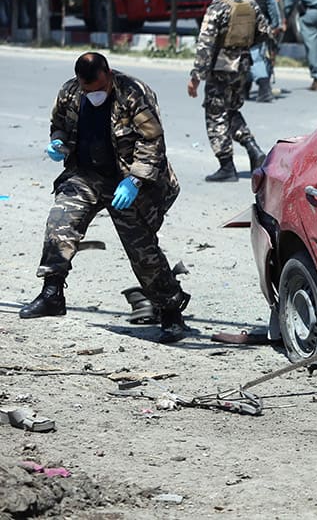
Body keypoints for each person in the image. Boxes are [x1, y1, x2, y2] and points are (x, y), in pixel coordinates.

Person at [22, 52, 191, 343]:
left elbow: (152, 141)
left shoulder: (134, 94)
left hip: (128, 179)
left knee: (142, 250)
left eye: (98, 88)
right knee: (59, 223)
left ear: (108, 73)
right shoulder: (71, 92)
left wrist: (135, 180)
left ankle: (171, 311)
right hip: (86, 175)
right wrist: (57, 142)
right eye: (88, 90)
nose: (94, 94)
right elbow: (59, 123)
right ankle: (52, 294)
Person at [187, 0, 270, 182]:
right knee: (231, 110)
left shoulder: (216, 8)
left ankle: (226, 166)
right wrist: (241, 47)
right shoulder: (250, 5)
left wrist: (196, 77)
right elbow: (264, 32)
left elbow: (205, 46)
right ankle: (253, 149)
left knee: (215, 114)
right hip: (242, 67)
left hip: (221, 69)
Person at [233, 0, 282, 103]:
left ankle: (264, 88)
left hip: (242, 25)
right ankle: (245, 90)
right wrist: (276, 23)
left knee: (250, 56)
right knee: (256, 54)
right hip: (261, 23)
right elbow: (272, 3)